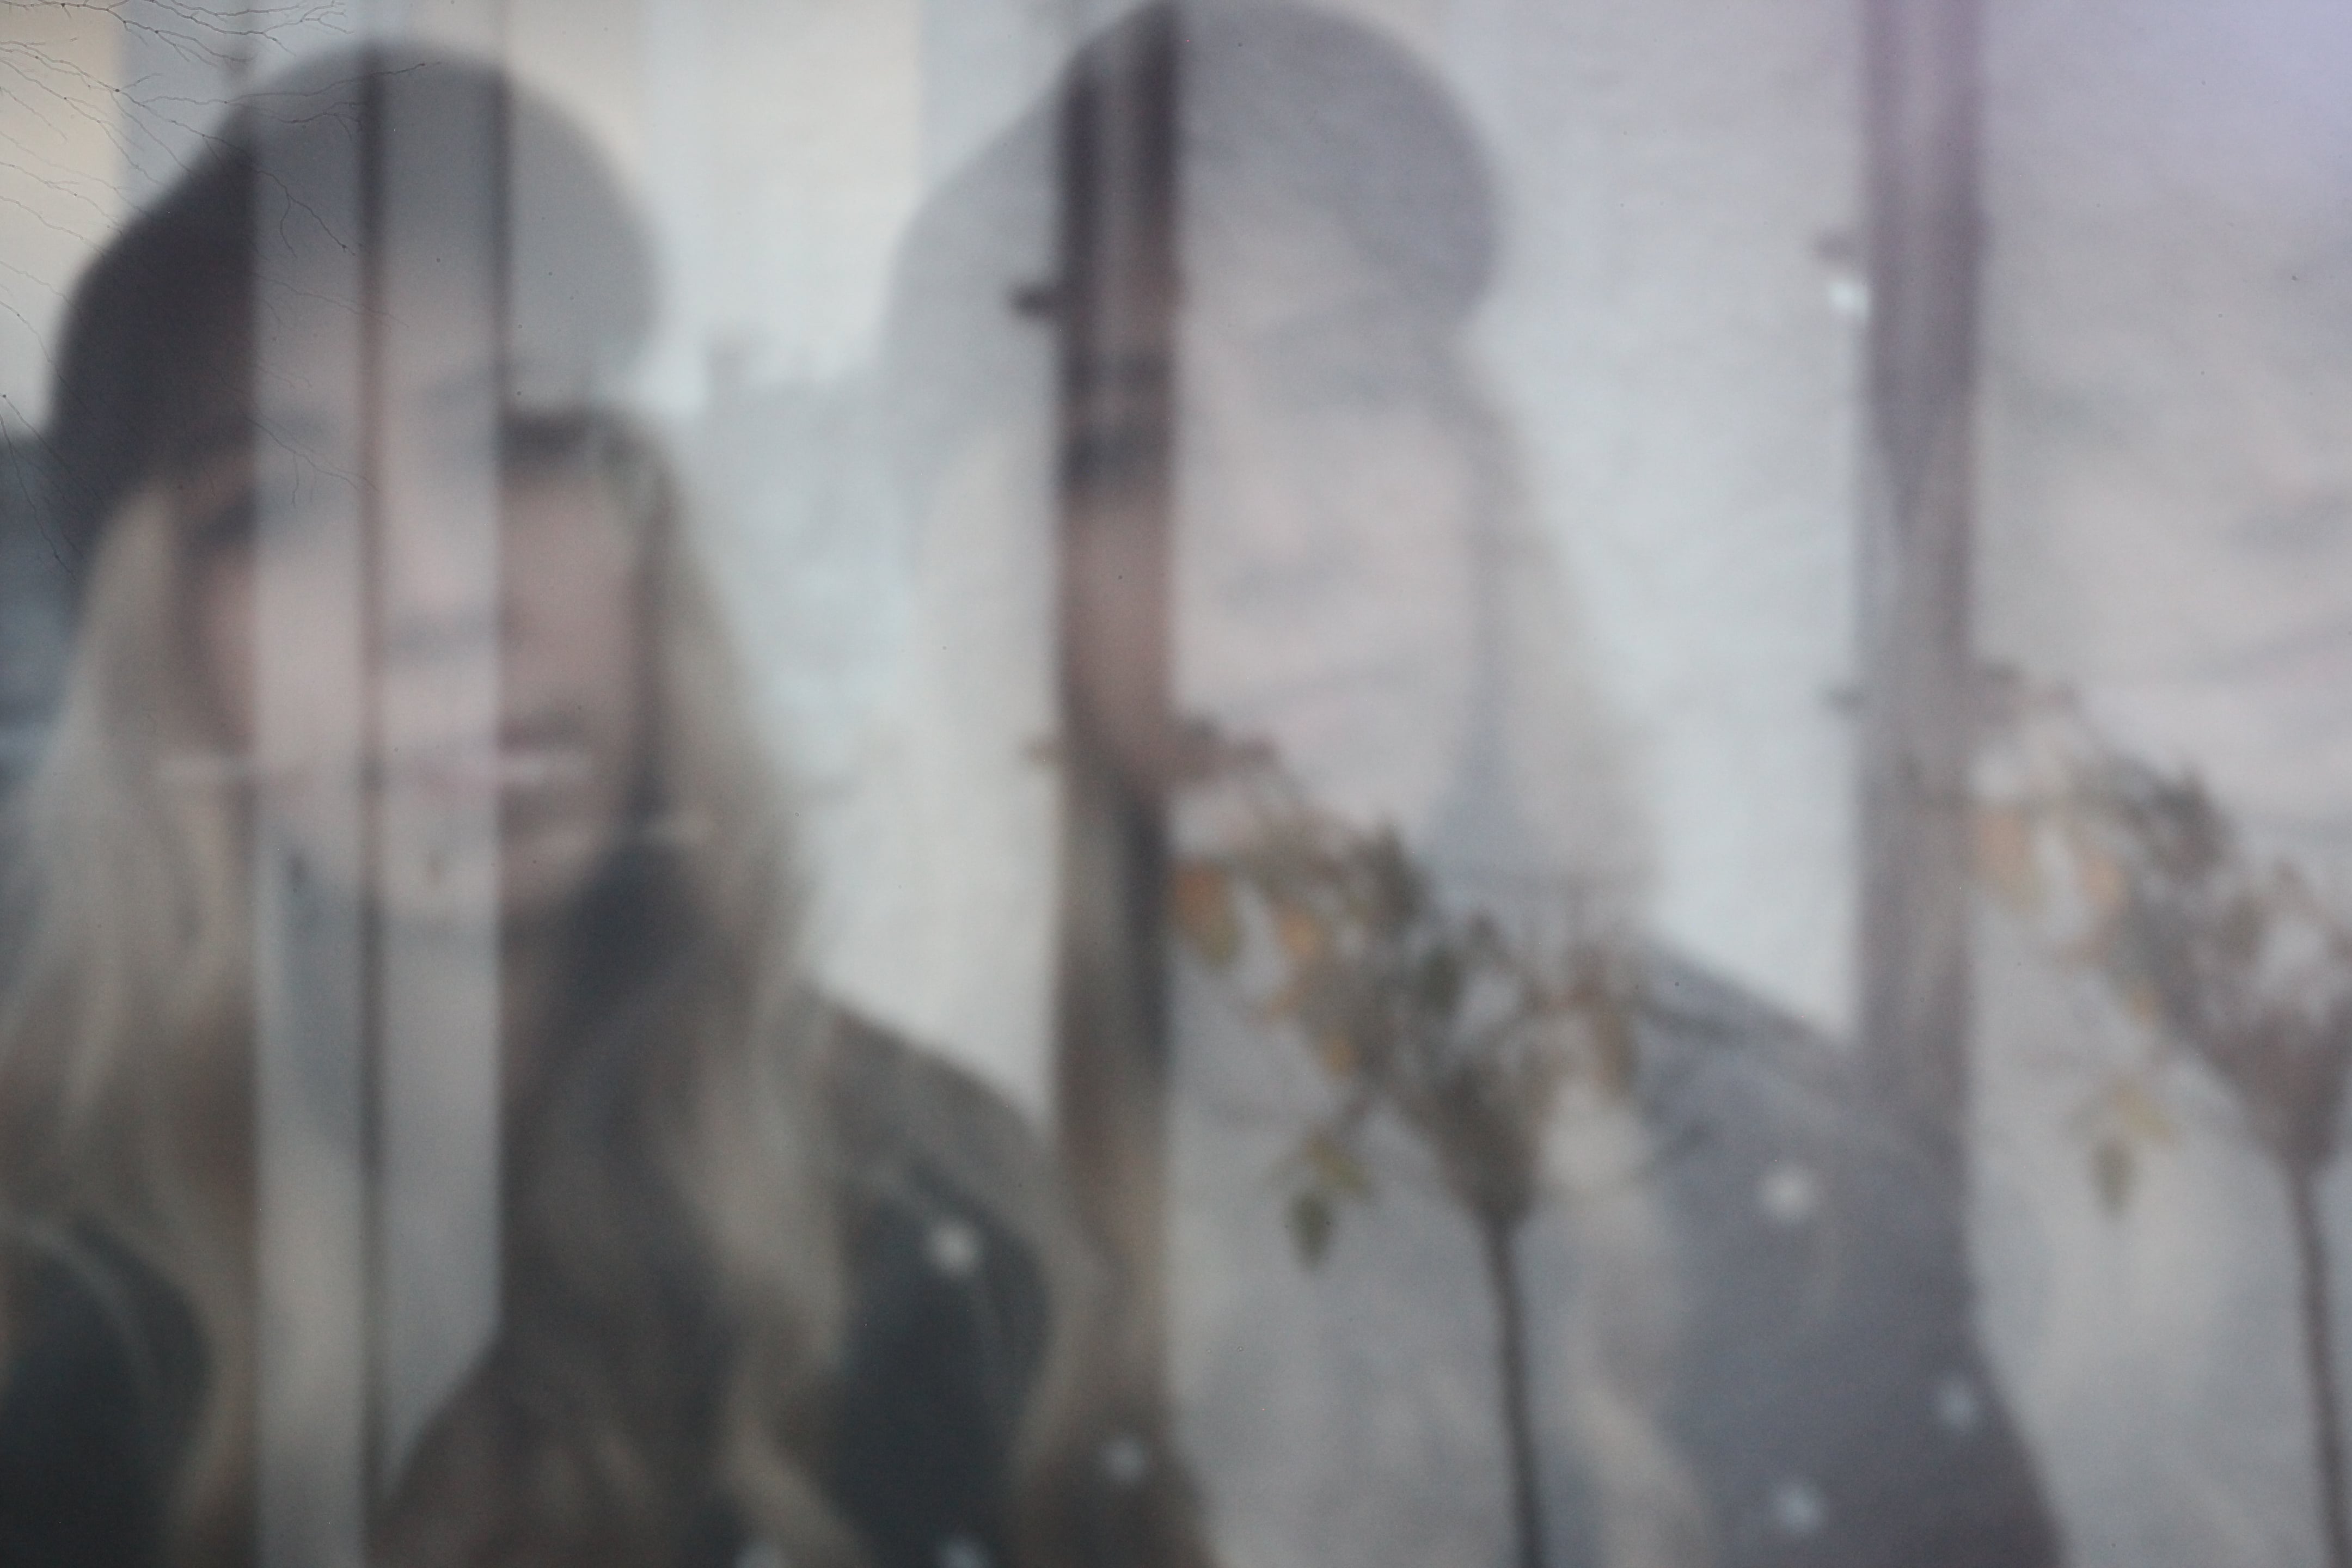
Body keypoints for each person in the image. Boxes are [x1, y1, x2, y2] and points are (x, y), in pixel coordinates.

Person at [838, 4, 2063, 1565]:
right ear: (1008, 598)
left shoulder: (1785, 1177)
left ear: (1477, 473)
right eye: (1130, 449)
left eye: (1349, 387)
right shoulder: (860, 1239)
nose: (1282, 534)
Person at [0, 48, 1198, 1568]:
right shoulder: (44, 1269)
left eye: (517, 445)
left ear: (644, 528)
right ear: (165, 650)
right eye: (282, 507)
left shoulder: (946, 1208)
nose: (446, 597)